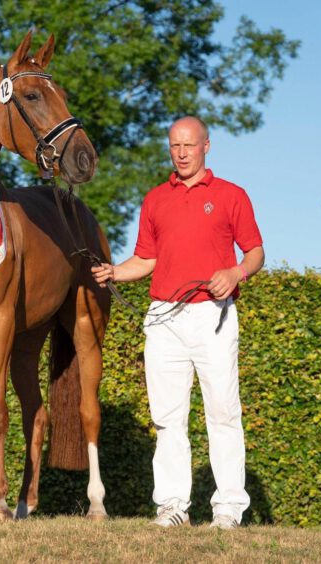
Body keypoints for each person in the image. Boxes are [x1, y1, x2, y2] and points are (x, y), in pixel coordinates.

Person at [92, 116, 264, 530]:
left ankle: (227, 509)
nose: (182, 153)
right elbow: (147, 260)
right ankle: (171, 506)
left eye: (189, 145)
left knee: (222, 412)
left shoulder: (231, 195)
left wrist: (236, 273)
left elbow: (255, 252)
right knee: (167, 416)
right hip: (163, 317)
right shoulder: (154, 200)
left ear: (207, 146)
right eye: (175, 146)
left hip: (213, 316)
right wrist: (114, 271)